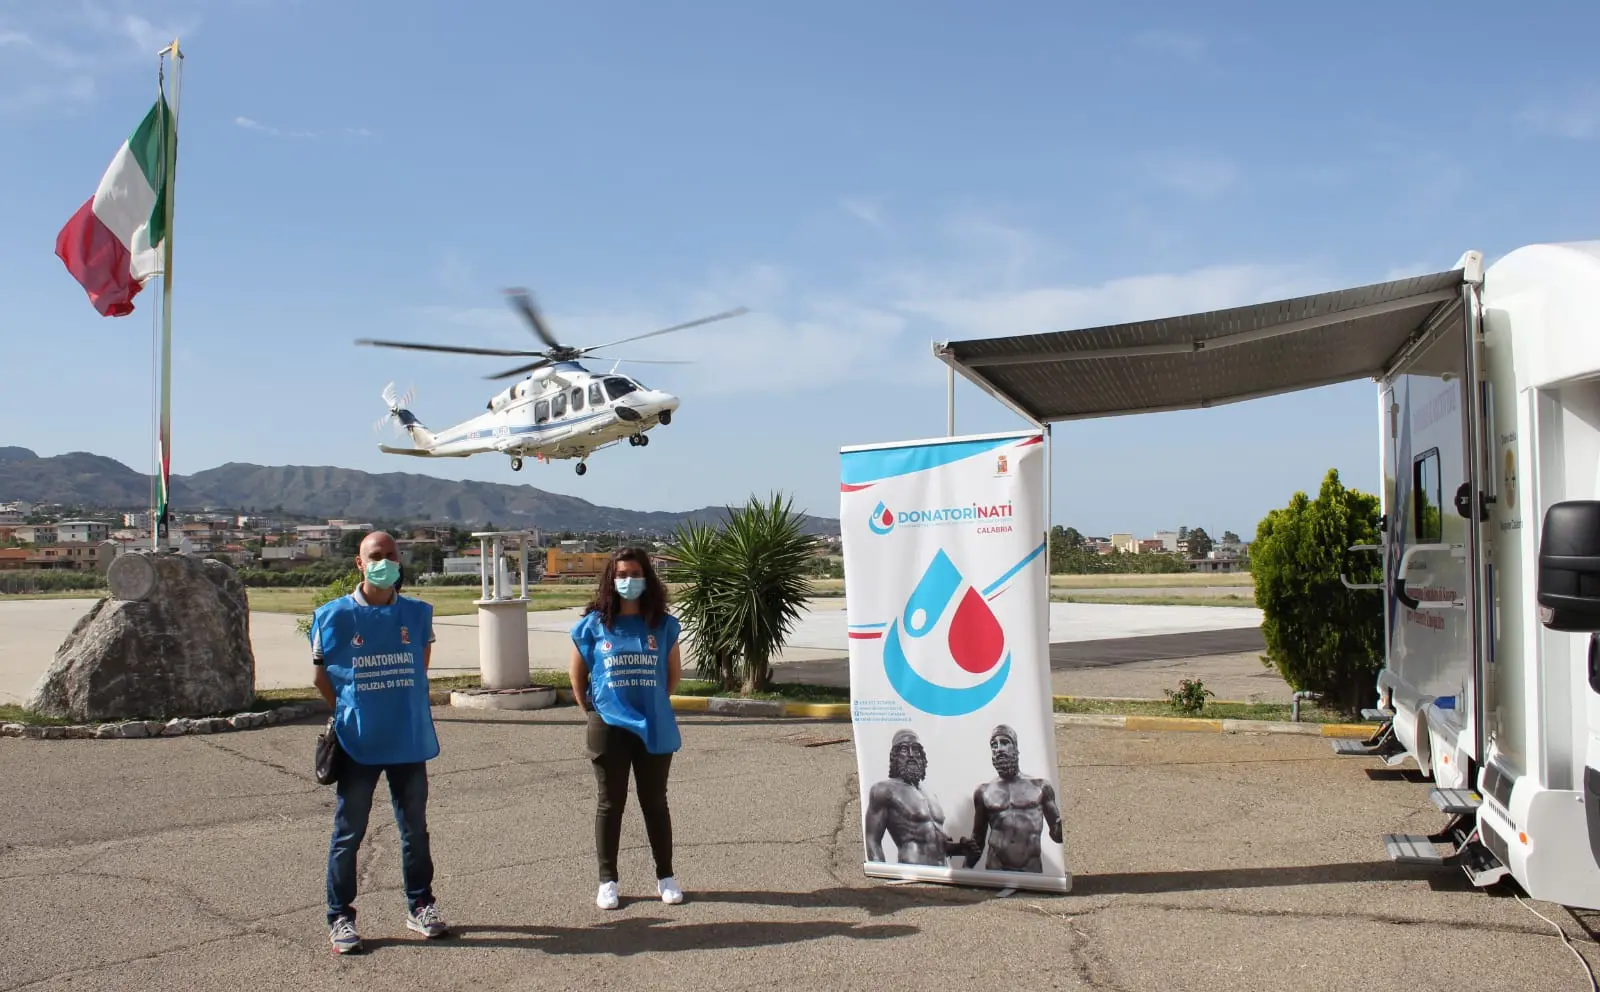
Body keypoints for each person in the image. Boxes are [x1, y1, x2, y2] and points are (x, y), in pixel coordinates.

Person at [311, 530, 449, 954]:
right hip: (358, 742)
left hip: (407, 738)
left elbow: (417, 672)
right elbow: (321, 679)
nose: (384, 562)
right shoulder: (332, 617)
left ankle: (419, 905)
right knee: (349, 832)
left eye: (391, 555)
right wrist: (354, 709)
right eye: (375, 555)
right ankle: (340, 916)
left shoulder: (417, 615)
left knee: (414, 831)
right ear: (359, 563)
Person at [568, 547, 684, 910]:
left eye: (634, 574)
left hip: (653, 724)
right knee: (610, 803)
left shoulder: (662, 625)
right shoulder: (593, 624)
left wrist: (651, 701)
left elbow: (672, 675)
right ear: (610, 579)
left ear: (647, 578)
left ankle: (665, 876)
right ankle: (607, 881)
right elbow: (577, 674)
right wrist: (592, 710)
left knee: (655, 803)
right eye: (621, 575)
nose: (627, 581)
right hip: (608, 725)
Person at [863, 728, 978, 866]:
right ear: (895, 756)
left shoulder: (931, 794)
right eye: (904, 749)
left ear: (922, 757)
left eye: (916, 749)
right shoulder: (884, 790)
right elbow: (873, 840)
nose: (911, 754)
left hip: (942, 872)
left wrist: (959, 848)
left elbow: (932, 842)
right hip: (913, 872)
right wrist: (880, 878)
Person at [962, 724, 1064, 873]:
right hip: (996, 869)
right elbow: (978, 840)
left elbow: (1057, 835)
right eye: (994, 745)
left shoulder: (1040, 787)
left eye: (1004, 742)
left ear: (1016, 747)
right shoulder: (983, 791)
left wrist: (1063, 826)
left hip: (1031, 871)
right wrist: (964, 871)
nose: (999, 749)